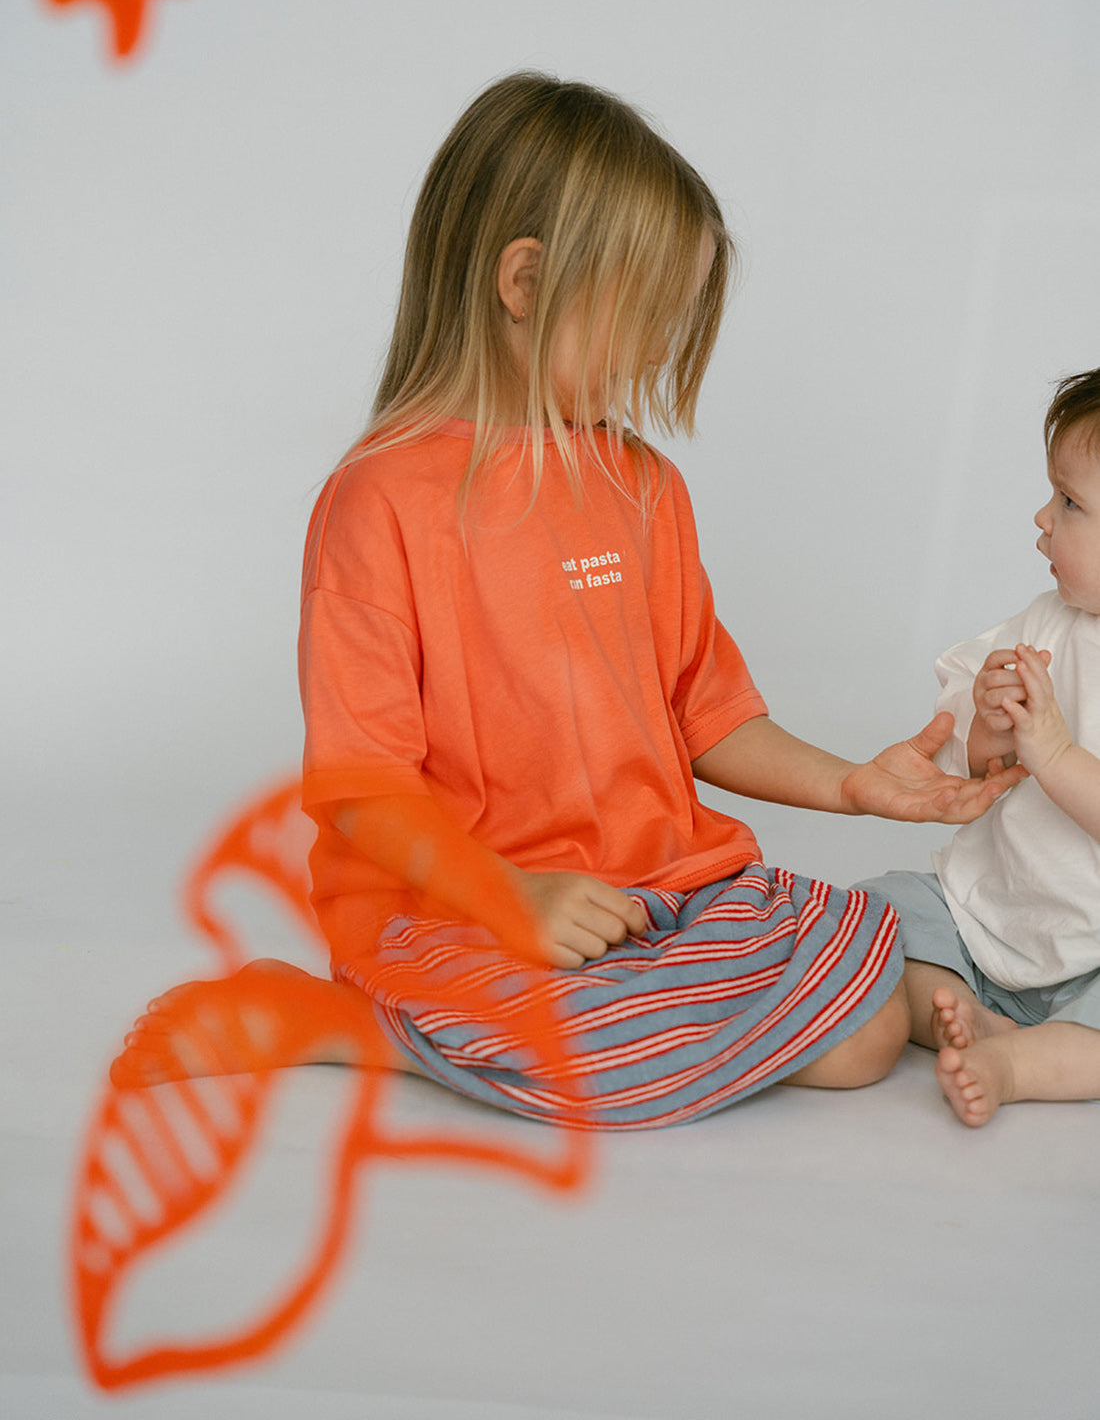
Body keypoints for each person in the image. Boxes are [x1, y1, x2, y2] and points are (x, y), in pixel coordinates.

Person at [116, 72, 1020, 1124]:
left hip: (659, 884)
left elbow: (704, 710)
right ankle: (340, 1026)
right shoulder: (378, 503)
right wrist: (510, 896)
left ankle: (615, 1008)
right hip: (455, 901)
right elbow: (363, 787)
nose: (651, 356)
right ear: (523, 282)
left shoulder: (643, 489)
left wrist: (853, 786)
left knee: (864, 1035)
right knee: (604, 1061)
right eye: (642, 319)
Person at [861, 368, 1100, 1127]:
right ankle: (961, 1010)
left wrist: (1057, 756)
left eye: (1070, 503)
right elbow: (976, 758)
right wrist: (990, 726)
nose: (1041, 517)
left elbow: (1060, 767)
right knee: (877, 913)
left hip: (1089, 954)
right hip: (983, 911)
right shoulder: (1045, 620)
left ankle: (1016, 1062)